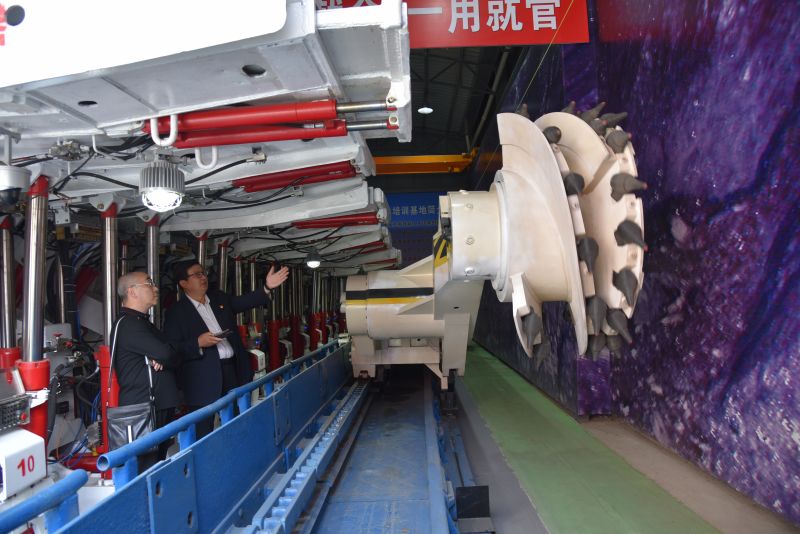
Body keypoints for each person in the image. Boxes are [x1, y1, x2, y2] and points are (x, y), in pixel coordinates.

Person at [165, 260, 289, 438]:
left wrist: (267, 287)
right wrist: (198, 342)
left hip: (231, 371)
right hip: (201, 379)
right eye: (197, 274)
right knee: (203, 431)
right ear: (184, 283)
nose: (203, 277)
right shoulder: (177, 312)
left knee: (237, 422)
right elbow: (172, 348)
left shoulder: (219, 299)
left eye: (203, 273)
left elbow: (244, 302)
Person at [114, 271, 179, 468]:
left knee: (157, 464)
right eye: (149, 283)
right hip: (143, 409)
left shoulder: (142, 322)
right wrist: (164, 355)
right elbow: (167, 353)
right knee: (146, 467)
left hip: (155, 405)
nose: (156, 288)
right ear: (132, 291)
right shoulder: (129, 324)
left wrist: (164, 356)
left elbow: (172, 351)